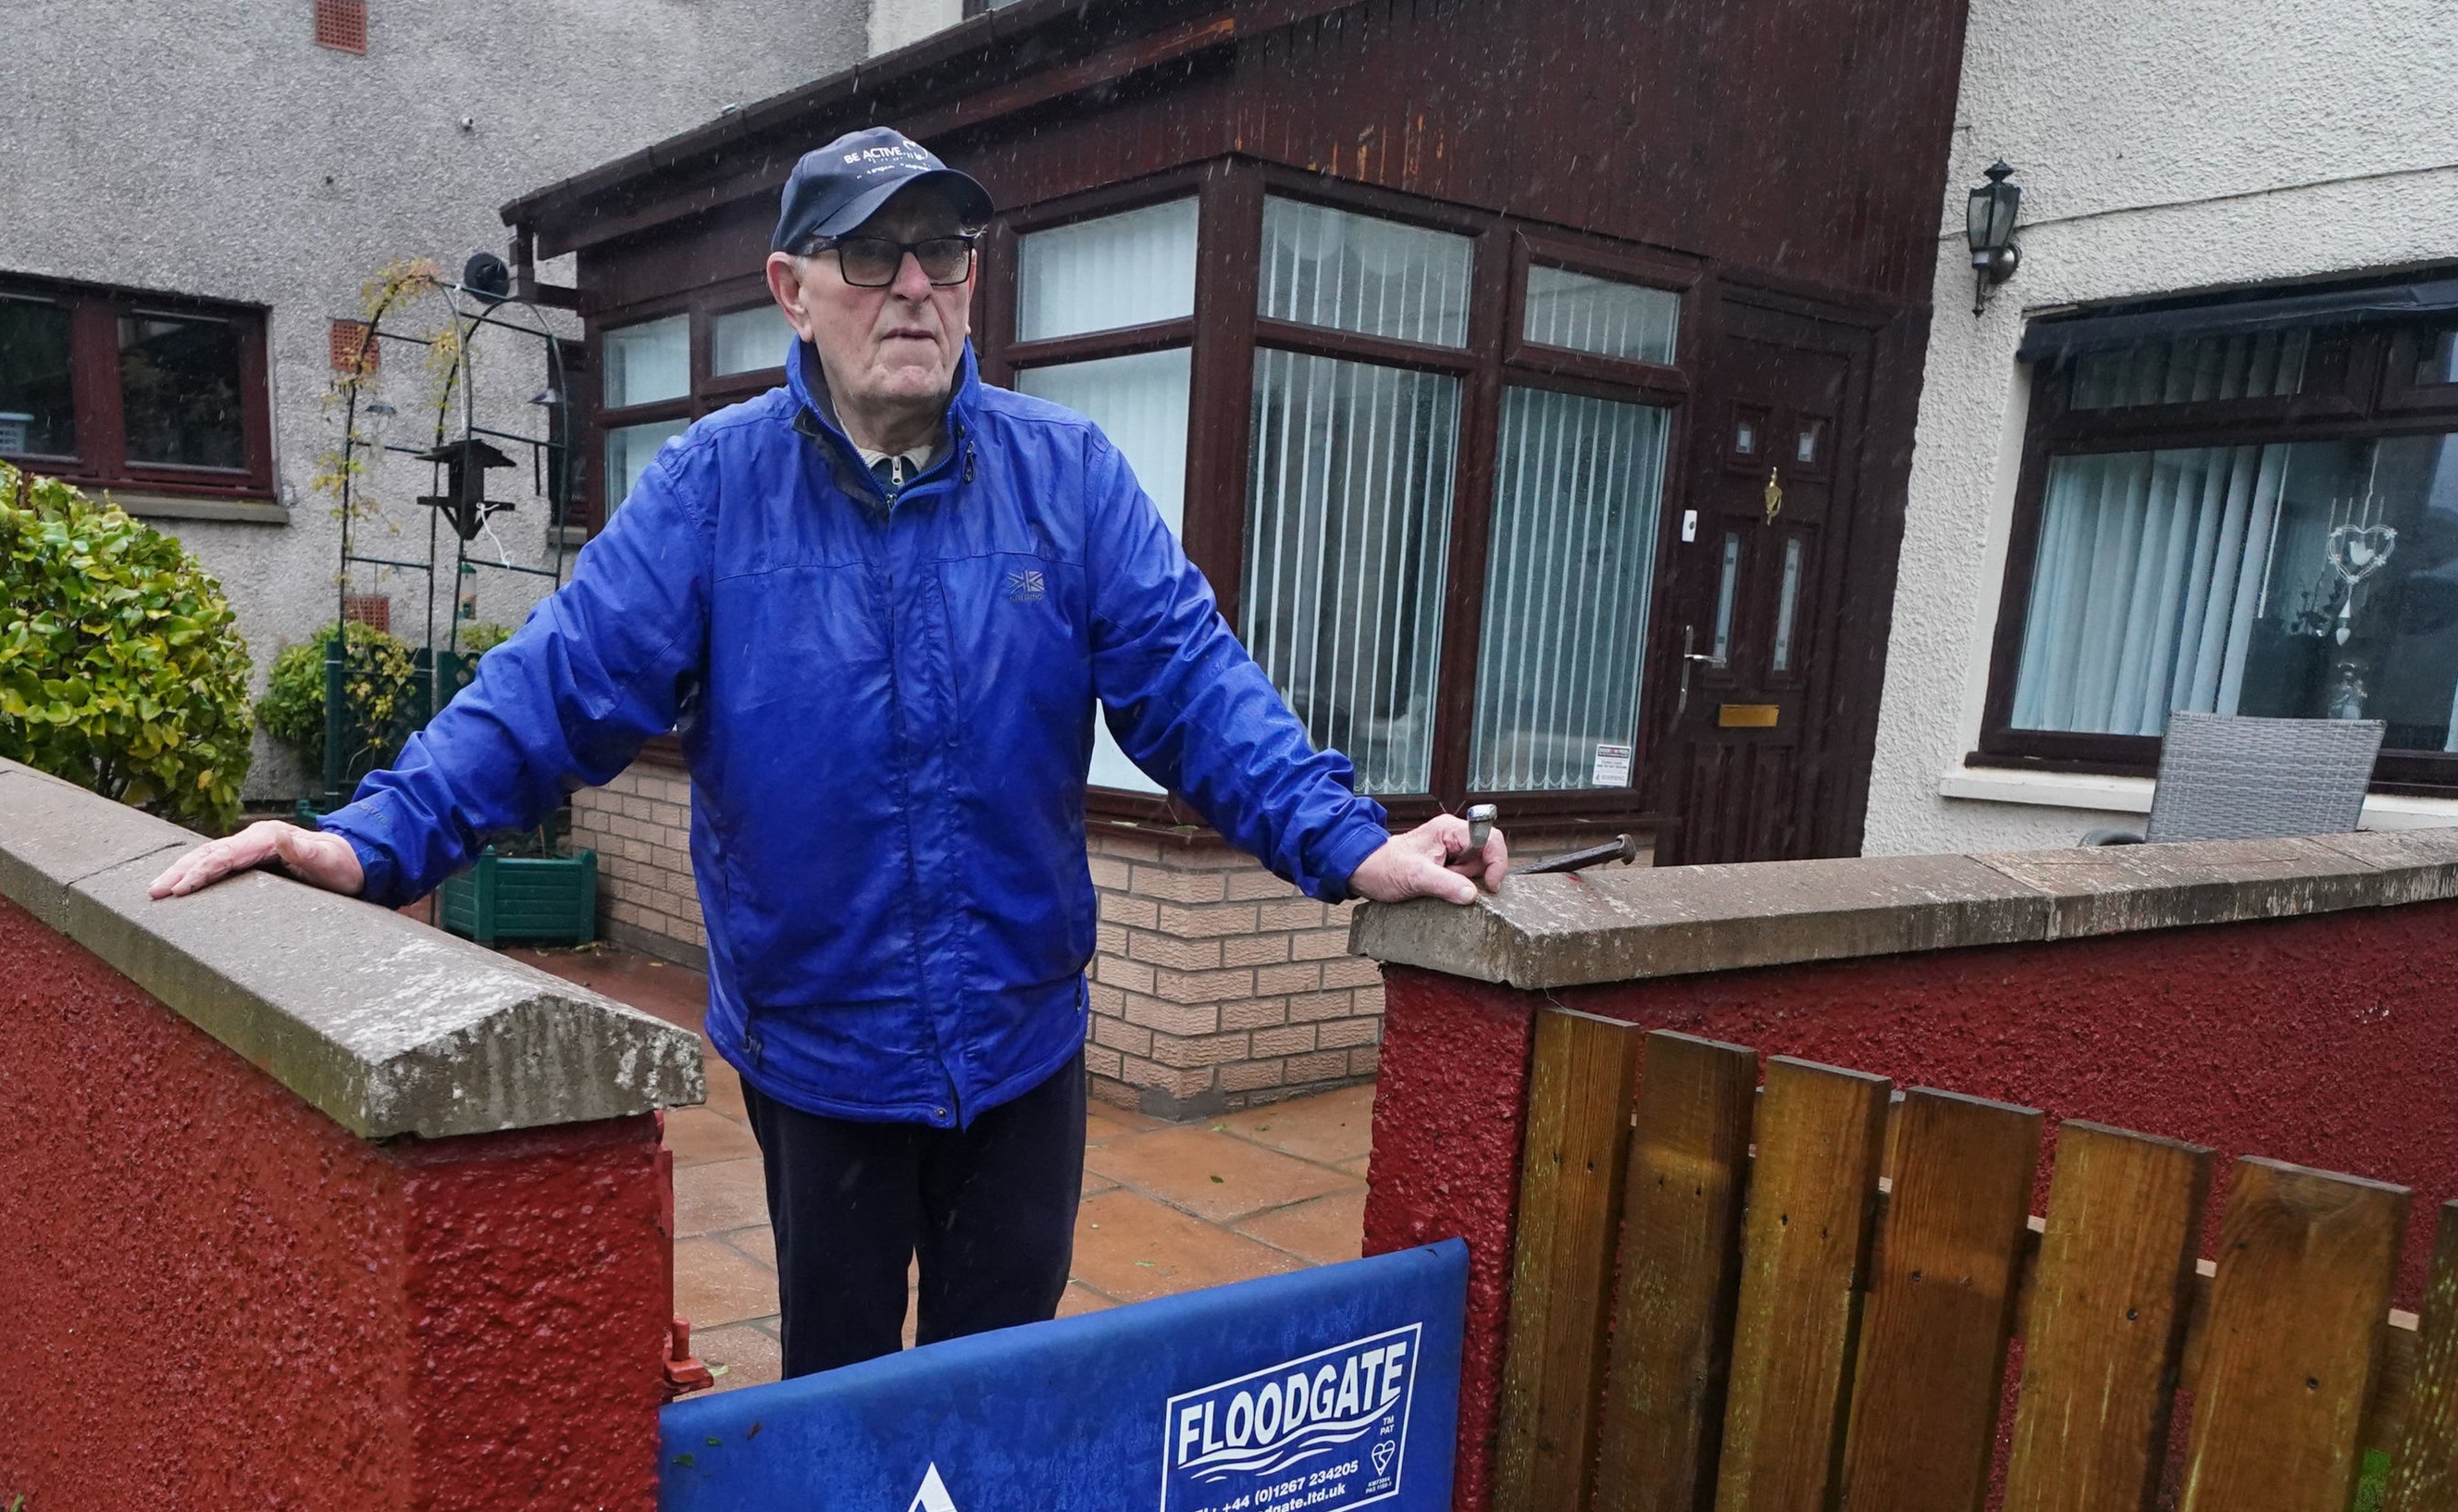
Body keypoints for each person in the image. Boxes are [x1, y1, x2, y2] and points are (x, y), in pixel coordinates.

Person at [151, 125, 1506, 1376]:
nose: (914, 284)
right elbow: (555, 688)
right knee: (838, 1406)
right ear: (792, 289)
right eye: (873, 252)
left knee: (1002, 1394)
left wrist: (1352, 843)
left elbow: (1198, 692)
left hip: (1020, 1048)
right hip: (819, 1061)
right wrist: (368, 837)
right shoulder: (711, 489)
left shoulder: (1070, 478)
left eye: (945, 252)